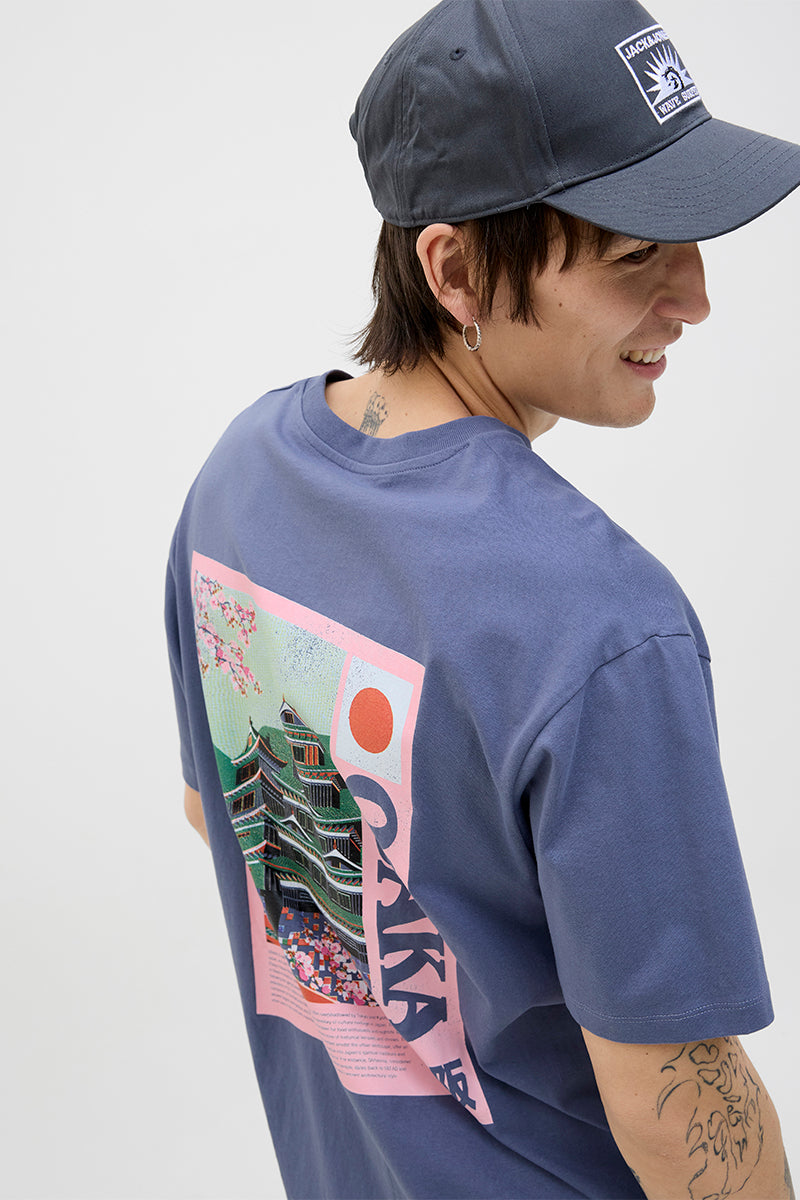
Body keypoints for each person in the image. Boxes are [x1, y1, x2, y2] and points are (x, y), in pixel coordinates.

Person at [165, 1, 799, 1196]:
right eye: (634, 253)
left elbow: (220, 815)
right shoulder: (601, 623)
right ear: (453, 270)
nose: (694, 296)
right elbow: (677, 1107)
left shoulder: (239, 479)